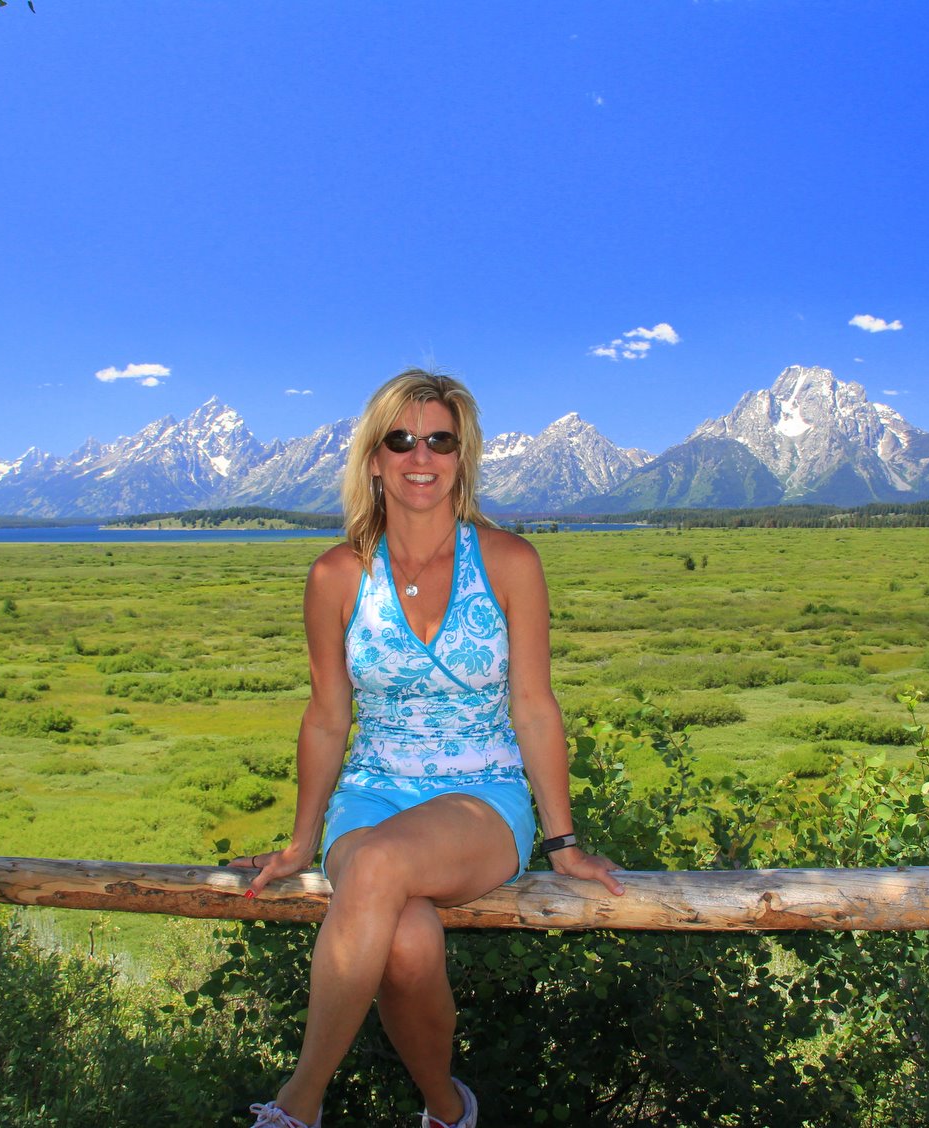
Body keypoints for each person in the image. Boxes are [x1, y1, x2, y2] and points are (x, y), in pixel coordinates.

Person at [230, 370, 625, 1128]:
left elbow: (535, 707)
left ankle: (295, 1108)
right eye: (401, 439)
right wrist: (300, 841)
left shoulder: (510, 563)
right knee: (407, 941)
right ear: (373, 459)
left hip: (482, 795)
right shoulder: (337, 576)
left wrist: (564, 841)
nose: (421, 455)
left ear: (463, 457)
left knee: (378, 866)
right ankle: (449, 1110)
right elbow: (326, 716)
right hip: (370, 794)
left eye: (440, 439)